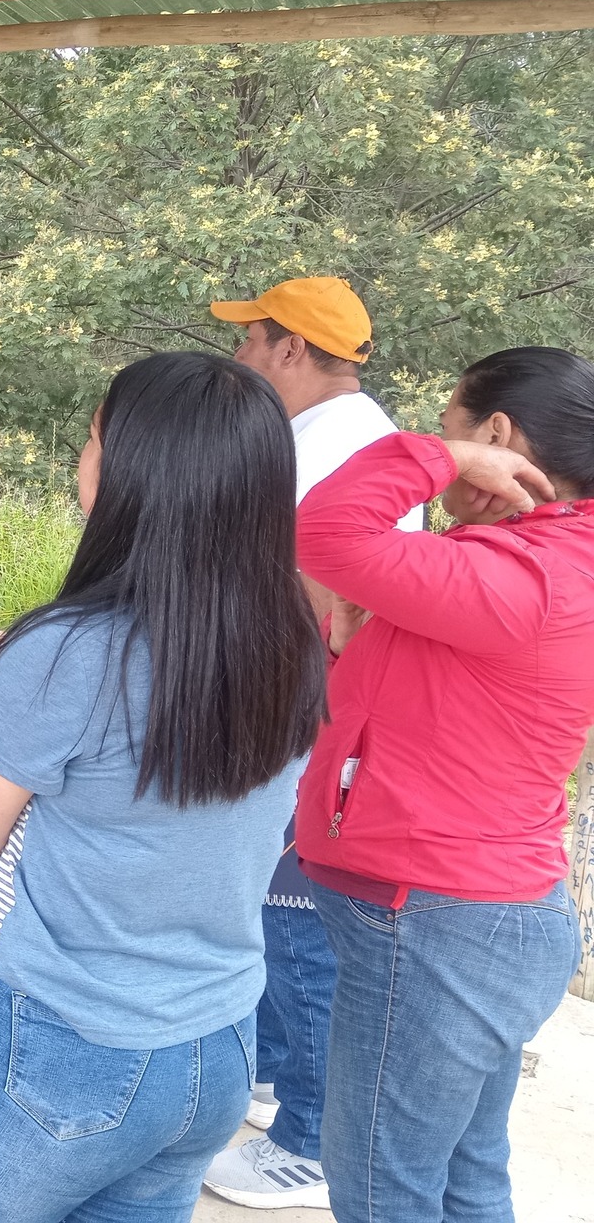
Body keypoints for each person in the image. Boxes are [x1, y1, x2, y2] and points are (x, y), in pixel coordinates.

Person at [0, 353, 326, 1222]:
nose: (80, 457)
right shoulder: (292, 643)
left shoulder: (69, 653)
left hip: (70, 1048)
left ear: (126, 474)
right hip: (218, 1045)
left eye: (91, 439)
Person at [290, 347, 594, 1223]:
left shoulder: (527, 574)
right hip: (474, 912)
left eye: (451, 427)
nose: (443, 444)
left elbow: (323, 533)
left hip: (435, 919)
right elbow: (436, 700)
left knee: (382, 1191)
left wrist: (438, 460)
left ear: (498, 435)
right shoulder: (541, 562)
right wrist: (354, 646)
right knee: (464, 1180)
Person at [203, 276, 421, 1210]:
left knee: (298, 921)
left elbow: (322, 593)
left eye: (250, 339)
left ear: (290, 347)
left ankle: (310, 1141)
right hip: (299, 703)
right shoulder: (330, 435)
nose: (240, 355)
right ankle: (268, 1075)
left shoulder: (333, 448)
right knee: (273, 907)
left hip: (307, 713)